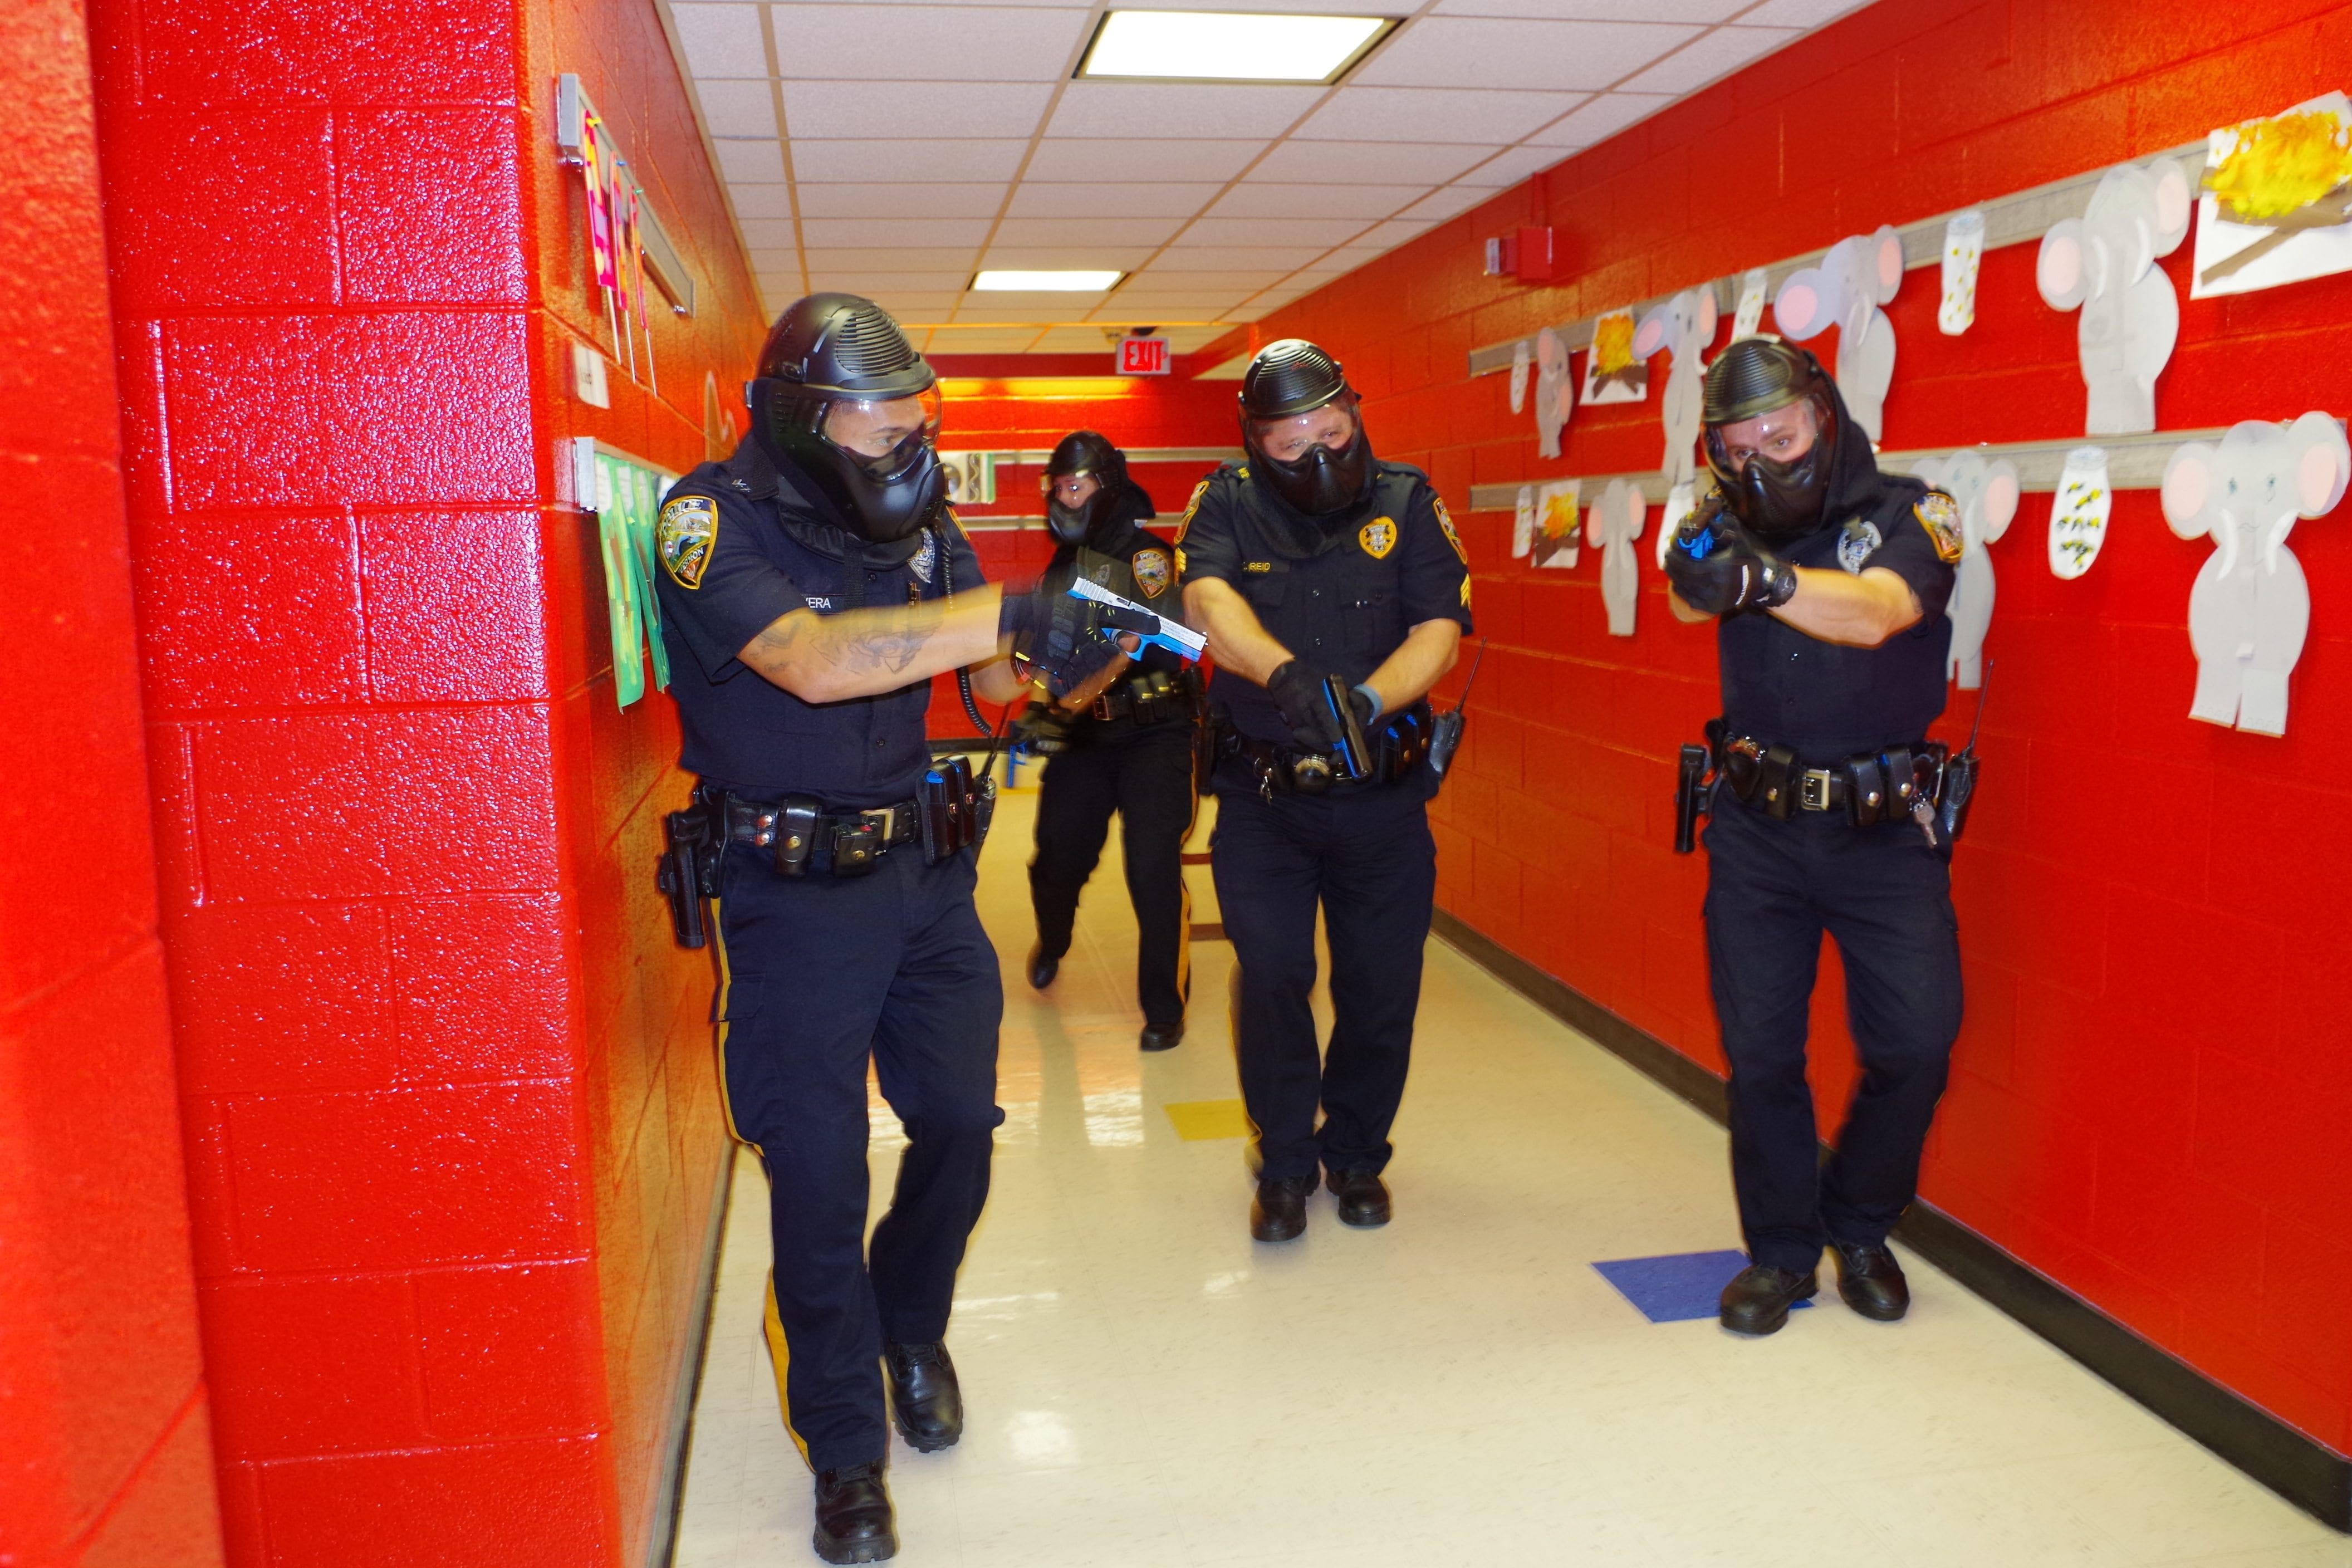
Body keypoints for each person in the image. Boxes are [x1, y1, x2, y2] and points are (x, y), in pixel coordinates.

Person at [651, 293, 1139, 1564]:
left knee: (964, 1131)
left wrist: (1078, 654)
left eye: (923, 416)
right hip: (790, 892)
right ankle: (847, 1452)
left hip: (922, 878)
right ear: (811, 418)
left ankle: (908, 1327)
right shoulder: (712, 519)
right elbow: (811, 661)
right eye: (890, 420)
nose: (914, 441)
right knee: (818, 1176)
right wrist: (1018, 610)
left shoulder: (922, 517)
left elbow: (993, 692)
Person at [1662, 337, 1966, 1337]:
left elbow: (1879, 613)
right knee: (1759, 1057)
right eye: (1737, 447)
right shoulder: (1727, 515)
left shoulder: (1910, 512)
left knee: (1916, 1043)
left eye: (1778, 436)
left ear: (1822, 418)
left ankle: (1862, 1223)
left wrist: (1767, 584)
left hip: (1882, 832)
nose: (1760, 462)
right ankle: (1783, 1254)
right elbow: (1680, 591)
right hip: (1756, 827)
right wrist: (1703, 561)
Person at [1178, 339, 1470, 1243]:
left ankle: (1353, 1155)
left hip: (1379, 798)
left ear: (1353, 417)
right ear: (1254, 441)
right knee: (1273, 975)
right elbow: (1205, 602)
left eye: (1330, 430)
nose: (1314, 453)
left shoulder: (1406, 499)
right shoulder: (1223, 499)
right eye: (1288, 440)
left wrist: (1370, 700)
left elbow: (1438, 626)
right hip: (1264, 799)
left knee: (1380, 987)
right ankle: (1283, 1161)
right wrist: (1285, 678)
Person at [1020, 432, 1202, 1051]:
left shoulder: (1148, 557)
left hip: (1155, 732)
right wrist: (1040, 708)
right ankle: (1054, 939)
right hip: (1084, 737)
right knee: (1056, 860)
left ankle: (1164, 1005)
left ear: (1107, 487)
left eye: (1075, 486)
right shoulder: (1065, 564)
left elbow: (1150, 643)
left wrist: (1068, 698)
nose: (1064, 498)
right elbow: (1047, 651)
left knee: (1152, 869)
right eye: (1058, 487)